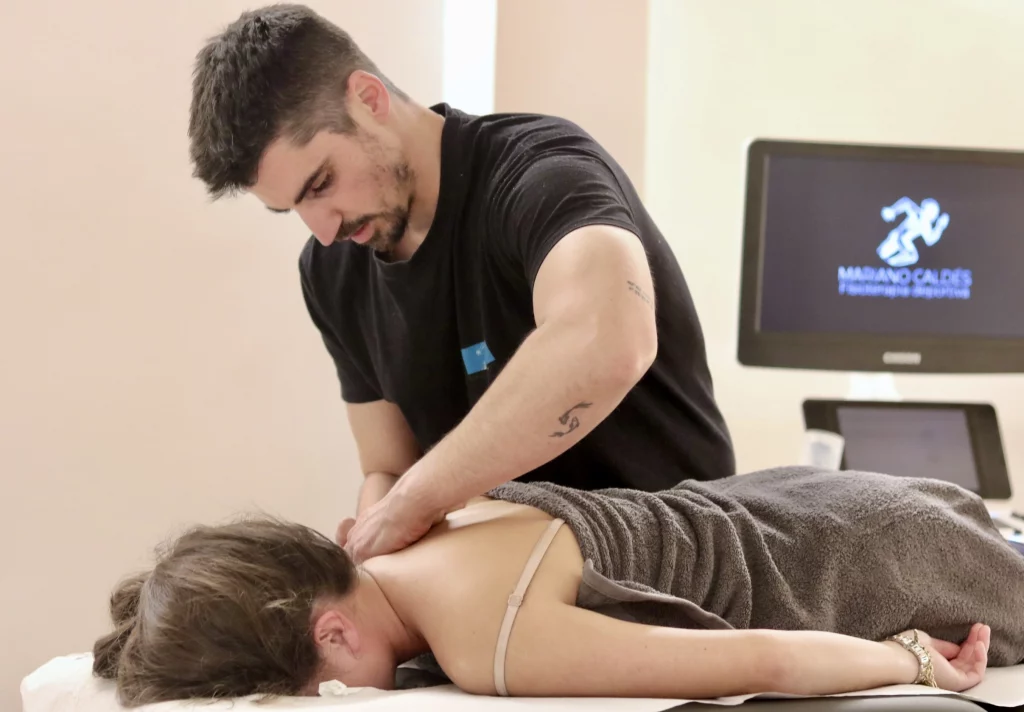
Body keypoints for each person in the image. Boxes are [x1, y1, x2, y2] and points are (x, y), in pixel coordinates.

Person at [186, 5, 735, 563]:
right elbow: (388, 466)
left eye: (322, 183)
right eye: (294, 209)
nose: (323, 229)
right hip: (513, 585)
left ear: (368, 100)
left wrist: (415, 500)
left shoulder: (542, 171)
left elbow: (609, 340)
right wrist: (372, 539)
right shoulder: (331, 272)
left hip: (681, 568)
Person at [93, 465, 1024, 707]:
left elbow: (762, 659)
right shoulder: (421, 524)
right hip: (806, 500)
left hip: (860, 563)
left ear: (332, 634)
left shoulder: (484, 643)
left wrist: (909, 663)